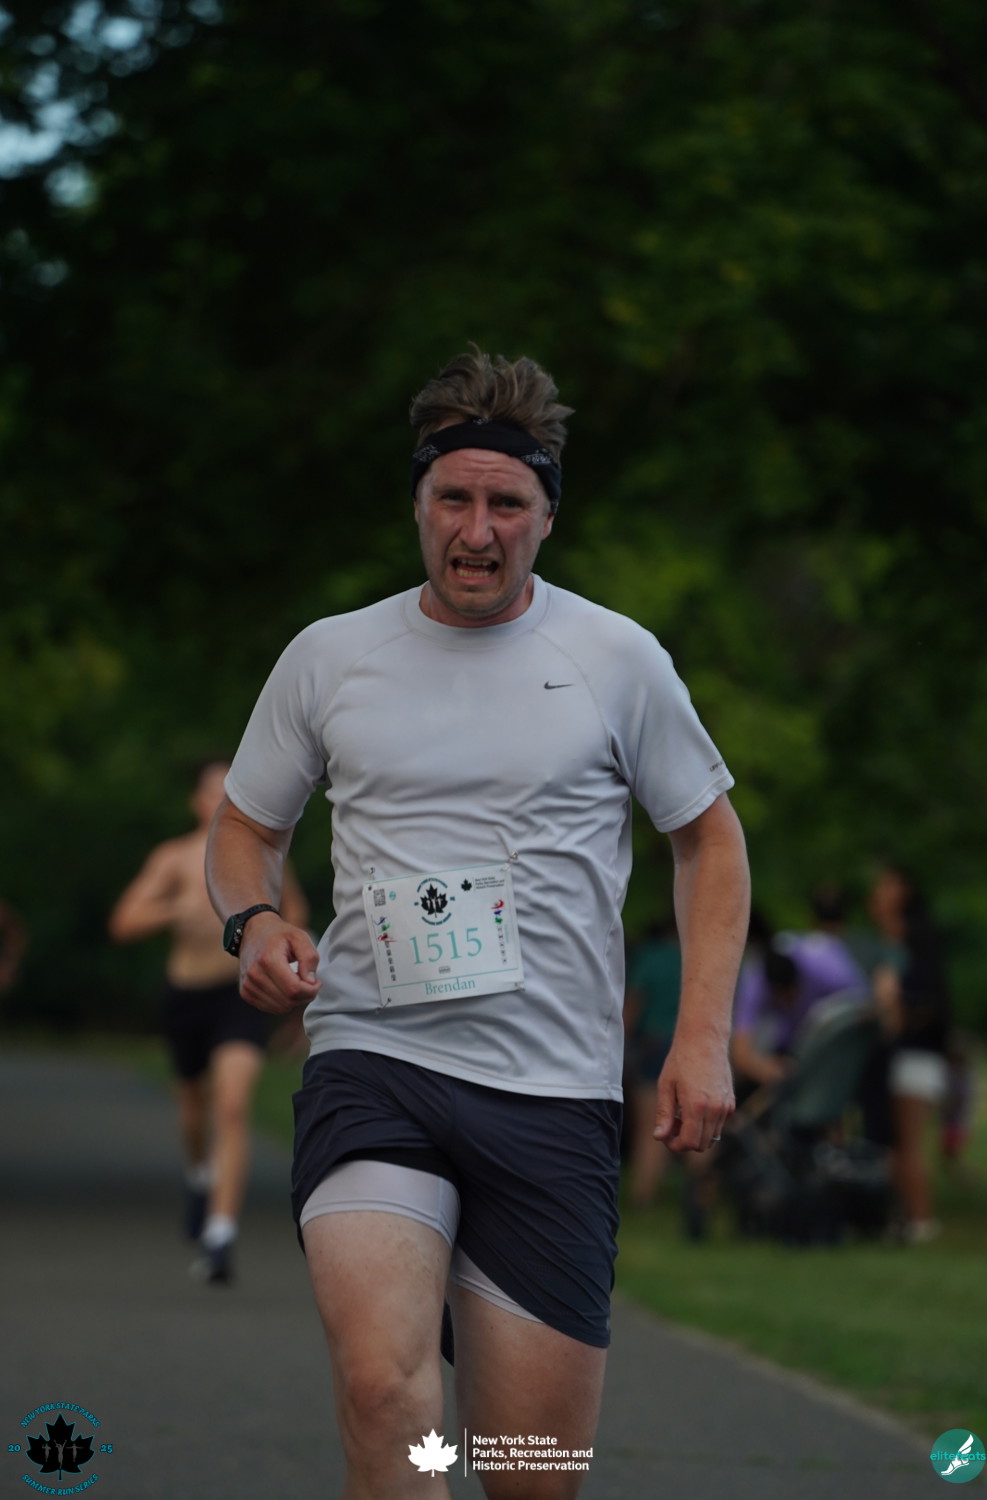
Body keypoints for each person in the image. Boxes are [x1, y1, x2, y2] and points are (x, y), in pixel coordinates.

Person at [205, 349, 750, 1499]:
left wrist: (700, 1038)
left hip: (551, 1093)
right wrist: (252, 920)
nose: (478, 529)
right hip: (375, 1062)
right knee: (384, 1393)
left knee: (526, 1477)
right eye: (453, 497)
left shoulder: (614, 659)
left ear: (547, 516)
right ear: (418, 502)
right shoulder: (331, 657)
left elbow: (708, 841)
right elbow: (245, 826)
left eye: (507, 504)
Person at [109, 757, 309, 1284]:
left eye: (231, 790)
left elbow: (295, 913)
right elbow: (124, 921)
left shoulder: (262, 856)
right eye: (213, 791)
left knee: (232, 1105)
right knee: (194, 1111)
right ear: (196, 802)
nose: (222, 800)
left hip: (237, 995)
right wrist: (175, 910)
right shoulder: (174, 858)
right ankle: (200, 1174)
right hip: (185, 995)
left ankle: (220, 1235)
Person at [868, 861, 952, 1244]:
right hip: (908, 1054)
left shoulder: (909, 942)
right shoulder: (898, 942)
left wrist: (891, 1006)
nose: (875, 894)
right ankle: (905, 1217)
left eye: (884, 886)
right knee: (899, 1144)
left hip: (917, 1054)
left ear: (903, 892)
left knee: (909, 1142)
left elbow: (911, 1004)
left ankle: (920, 1220)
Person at [730, 885, 866, 1091]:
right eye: (780, 998)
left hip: (827, 1042)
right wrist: (766, 1070)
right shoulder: (756, 978)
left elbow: (865, 1008)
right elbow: (741, 1050)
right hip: (786, 1044)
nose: (786, 1002)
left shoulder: (825, 963)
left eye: (790, 995)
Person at [623, 918, 682, 1209]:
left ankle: (643, 1195)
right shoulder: (695, 956)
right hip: (690, 1046)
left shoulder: (651, 957)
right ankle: (702, 1193)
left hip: (654, 1045)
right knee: (695, 1121)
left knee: (652, 1125)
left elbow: (633, 1006)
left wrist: (620, 1044)